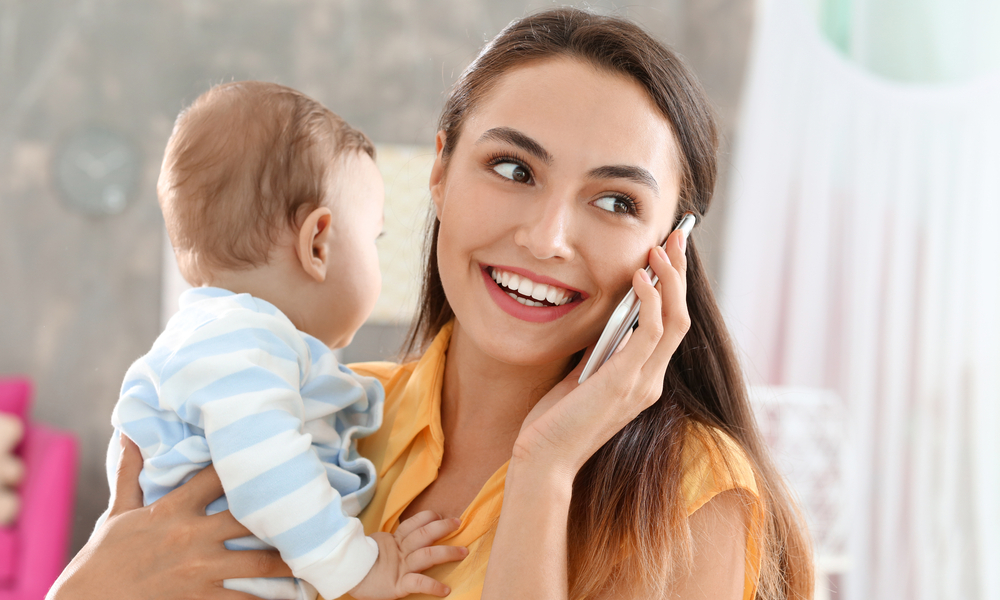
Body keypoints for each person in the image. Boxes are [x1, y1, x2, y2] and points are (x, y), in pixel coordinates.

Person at [48, 8, 814, 600]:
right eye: (513, 169)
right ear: (440, 170)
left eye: (615, 200)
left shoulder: (687, 493)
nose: (547, 238)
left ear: (670, 246)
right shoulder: (325, 419)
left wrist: (544, 470)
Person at [92, 81, 466, 600]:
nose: (377, 259)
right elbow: (265, 469)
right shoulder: (240, 342)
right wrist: (355, 566)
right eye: (373, 238)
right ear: (318, 242)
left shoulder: (223, 342)